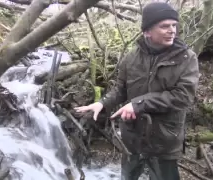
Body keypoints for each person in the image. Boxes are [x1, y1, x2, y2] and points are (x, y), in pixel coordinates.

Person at [75, 2, 199, 180]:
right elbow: (121, 90)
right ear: (147, 31)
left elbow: (183, 96)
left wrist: (138, 104)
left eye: (174, 25)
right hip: (133, 135)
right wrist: (102, 103)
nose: (172, 30)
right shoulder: (131, 57)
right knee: (129, 176)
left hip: (164, 138)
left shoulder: (187, 58)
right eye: (164, 26)